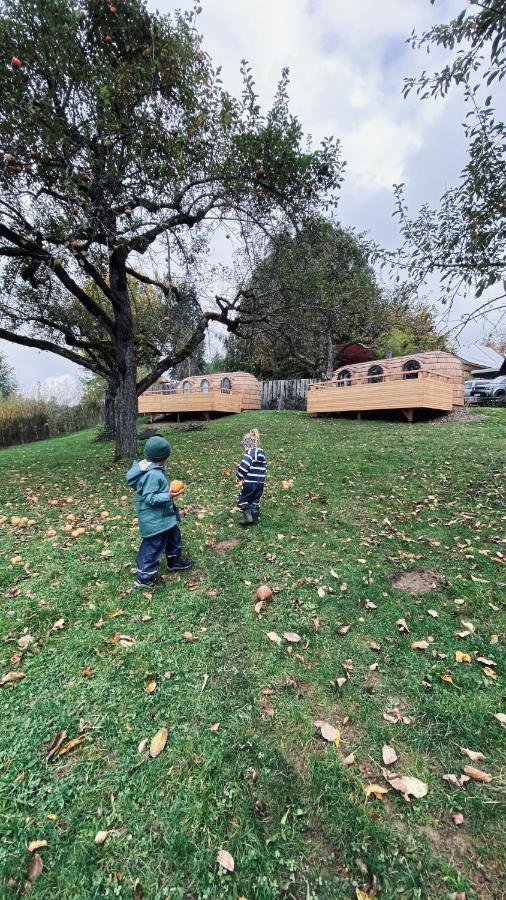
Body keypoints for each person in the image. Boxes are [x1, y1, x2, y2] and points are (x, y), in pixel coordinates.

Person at [126, 435, 193, 587]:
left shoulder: (154, 468)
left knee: (173, 536)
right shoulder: (152, 475)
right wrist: (168, 495)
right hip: (155, 521)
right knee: (153, 546)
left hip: (164, 517)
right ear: (163, 457)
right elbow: (150, 498)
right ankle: (144, 578)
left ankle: (174, 560)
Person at [235, 428, 266, 526]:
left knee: (242, 500)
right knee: (255, 500)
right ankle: (254, 518)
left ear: (246, 444)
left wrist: (239, 476)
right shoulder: (262, 455)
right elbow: (265, 469)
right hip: (260, 483)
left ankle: (248, 517)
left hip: (250, 483)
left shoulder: (249, 454)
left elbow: (243, 468)